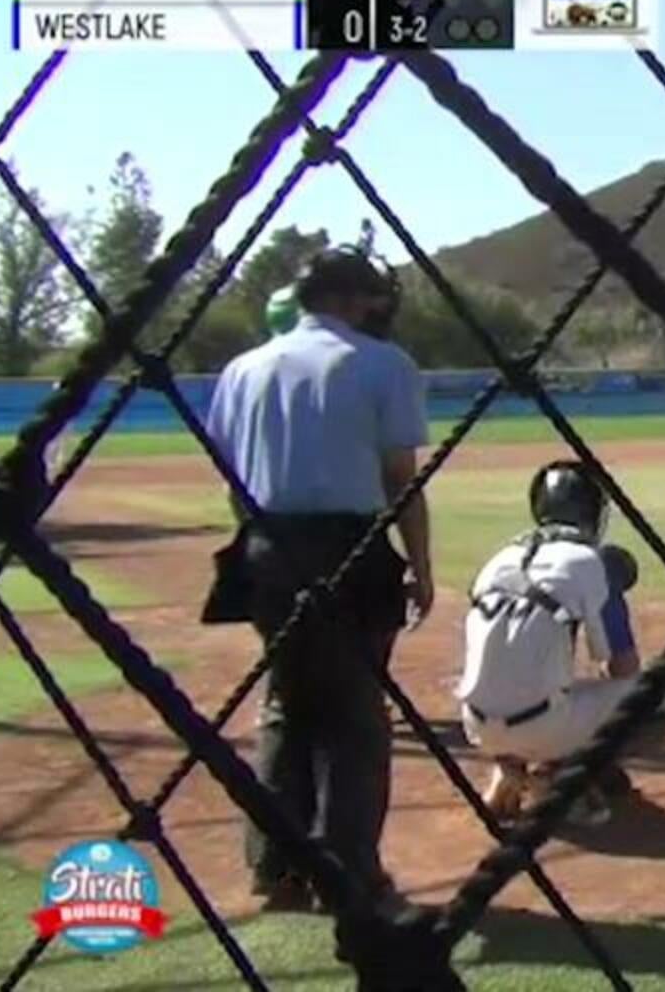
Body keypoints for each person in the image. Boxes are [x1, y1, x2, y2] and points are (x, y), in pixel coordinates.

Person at [203, 246, 431, 912]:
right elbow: (400, 481)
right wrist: (419, 566)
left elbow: (233, 484)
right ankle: (349, 875)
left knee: (287, 704)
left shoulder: (243, 368)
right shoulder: (382, 363)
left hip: (267, 548)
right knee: (355, 717)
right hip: (350, 547)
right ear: (352, 299)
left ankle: (275, 866)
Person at [457, 460, 665, 824]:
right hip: (542, 726)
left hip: (477, 726)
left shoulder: (498, 561)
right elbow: (623, 669)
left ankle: (509, 769)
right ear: (593, 512)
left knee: (523, 675)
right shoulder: (592, 563)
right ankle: (559, 777)